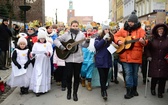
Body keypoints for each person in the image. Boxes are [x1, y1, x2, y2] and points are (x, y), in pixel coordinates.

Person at [114, 11, 146, 99]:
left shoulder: (140, 30)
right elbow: (115, 36)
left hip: (136, 56)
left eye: (132, 22)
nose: (130, 23)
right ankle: (129, 91)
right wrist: (118, 41)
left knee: (135, 74)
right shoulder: (123, 29)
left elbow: (145, 41)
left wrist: (143, 41)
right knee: (128, 73)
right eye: (129, 21)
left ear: (135, 22)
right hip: (125, 56)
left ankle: (134, 90)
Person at [54, 20, 89, 101]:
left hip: (78, 59)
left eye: (77, 26)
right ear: (70, 26)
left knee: (77, 77)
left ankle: (75, 93)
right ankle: (69, 92)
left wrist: (87, 41)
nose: (75, 27)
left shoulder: (81, 35)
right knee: (68, 76)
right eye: (73, 26)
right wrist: (62, 47)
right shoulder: (66, 34)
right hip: (68, 59)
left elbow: (85, 46)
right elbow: (56, 40)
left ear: (78, 27)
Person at [146, 23, 168, 98]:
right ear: (156, 30)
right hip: (154, 60)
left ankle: (160, 92)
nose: (161, 31)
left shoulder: (167, 39)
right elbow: (147, 49)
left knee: (163, 77)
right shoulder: (152, 39)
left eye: (162, 29)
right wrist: (149, 56)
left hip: (164, 61)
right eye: (159, 29)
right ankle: (152, 89)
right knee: (154, 76)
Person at [29, 30, 53, 97]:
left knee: (44, 74)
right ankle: (37, 89)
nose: (42, 40)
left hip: (45, 62)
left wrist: (48, 53)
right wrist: (32, 54)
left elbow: (51, 51)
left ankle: (44, 88)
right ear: (38, 38)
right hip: (38, 62)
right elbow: (33, 52)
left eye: (43, 39)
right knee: (38, 74)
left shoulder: (48, 44)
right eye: (40, 39)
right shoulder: (36, 44)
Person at [94, 25, 114, 100]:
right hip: (100, 60)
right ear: (103, 30)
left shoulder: (111, 38)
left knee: (105, 76)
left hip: (108, 59)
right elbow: (97, 46)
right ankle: (104, 91)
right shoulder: (98, 38)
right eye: (105, 29)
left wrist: (113, 44)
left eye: (108, 29)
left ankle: (103, 88)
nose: (107, 30)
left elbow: (114, 47)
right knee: (102, 76)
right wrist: (103, 39)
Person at [81, 23, 95, 91]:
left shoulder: (94, 36)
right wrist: (86, 40)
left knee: (90, 68)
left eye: (90, 30)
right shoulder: (82, 36)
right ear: (86, 30)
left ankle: (89, 83)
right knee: (83, 69)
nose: (89, 31)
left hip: (91, 54)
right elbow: (81, 44)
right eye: (88, 30)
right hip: (84, 54)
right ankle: (83, 78)